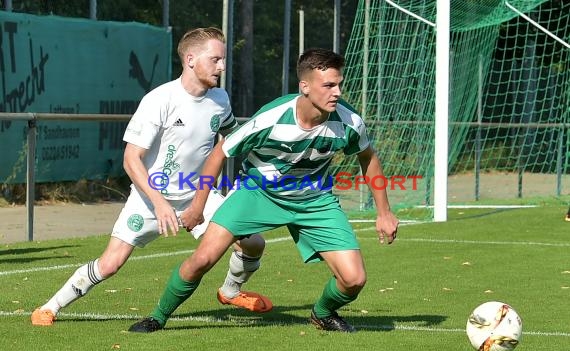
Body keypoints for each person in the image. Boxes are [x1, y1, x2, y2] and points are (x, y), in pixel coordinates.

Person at [128, 47, 399, 334]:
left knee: (354, 279)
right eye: (329, 85)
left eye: (339, 84)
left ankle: (322, 313)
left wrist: (384, 212)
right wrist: (198, 206)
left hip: (315, 200)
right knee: (202, 259)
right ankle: (157, 316)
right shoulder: (271, 118)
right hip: (257, 194)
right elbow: (220, 153)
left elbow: (368, 158)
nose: (337, 92)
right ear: (304, 87)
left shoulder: (349, 121)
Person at [31, 27, 272, 327]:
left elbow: (228, 140)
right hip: (149, 198)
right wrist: (159, 204)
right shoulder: (160, 100)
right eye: (215, 60)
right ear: (191, 59)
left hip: (198, 195)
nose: (222, 67)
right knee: (111, 264)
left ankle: (230, 291)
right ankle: (50, 306)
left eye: (223, 60)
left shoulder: (220, 99)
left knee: (254, 243)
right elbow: (131, 159)